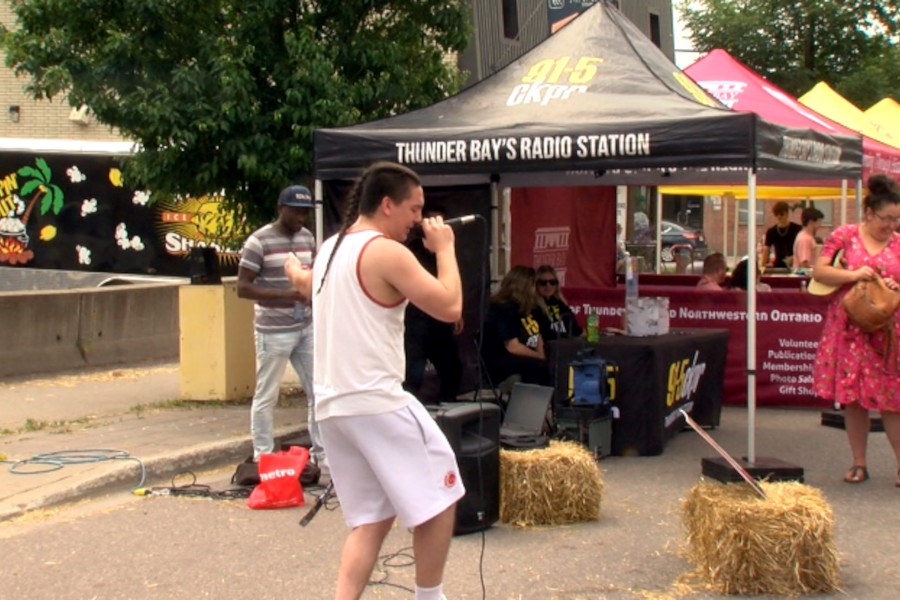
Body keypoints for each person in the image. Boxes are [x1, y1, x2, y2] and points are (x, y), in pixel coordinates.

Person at [284, 161, 464, 600]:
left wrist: (293, 272)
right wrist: (444, 248)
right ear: (387, 205)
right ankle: (430, 597)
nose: (419, 221)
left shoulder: (331, 247)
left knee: (372, 518)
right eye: (414, 209)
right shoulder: (385, 251)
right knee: (442, 496)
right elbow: (450, 306)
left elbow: (308, 285)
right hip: (376, 400)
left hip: (333, 407)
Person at [810, 174, 900, 486]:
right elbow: (819, 271)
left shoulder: (899, 243)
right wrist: (852, 275)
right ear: (869, 213)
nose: (891, 226)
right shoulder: (845, 236)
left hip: (885, 332)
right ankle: (859, 463)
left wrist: (894, 286)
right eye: (886, 219)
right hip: (848, 329)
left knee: (892, 399)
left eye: (896, 219)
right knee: (853, 398)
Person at [237, 185, 323, 465]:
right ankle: (263, 455)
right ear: (280, 209)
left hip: (305, 327)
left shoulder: (307, 238)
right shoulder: (258, 241)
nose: (302, 217)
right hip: (273, 331)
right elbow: (243, 288)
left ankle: (321, 454)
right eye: (296, 211)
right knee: (267, 395)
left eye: (306, 212)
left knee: (318, 391)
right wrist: (286, 295)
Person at [403, 205, 464, 403]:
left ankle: (448, 407)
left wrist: (457, 313)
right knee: (413, 372)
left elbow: (451, 283)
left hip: (440, 320)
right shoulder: (411, 250)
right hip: (416, 320)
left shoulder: (446, 252)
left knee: (452, 367)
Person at [480, 265, 551, 386]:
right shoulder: (503, 309)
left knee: (554, 364)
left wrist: (542, 354)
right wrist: (538, 356)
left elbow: (539, 334)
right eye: (533, 285)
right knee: (539, 367)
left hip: (526, 356)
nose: (536, 289)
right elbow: (512, 346)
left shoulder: (530, 308)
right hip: (503, 360)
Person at [533, 264, 582, 341]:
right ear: (536, 284)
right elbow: (543, 333)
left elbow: (575, 329)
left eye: (552, 282)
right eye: (543, 282)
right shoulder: (533, 305)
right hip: (548, 347)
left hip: (565, 346)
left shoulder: (560, 303)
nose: (548, 286)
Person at [761, 201, 802, 269]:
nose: (779, 217)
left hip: (794, 266)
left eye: (781, 214)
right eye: (776, 214)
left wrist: (794, 257)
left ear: (787, 214)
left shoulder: (797, 229)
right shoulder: (771, 232)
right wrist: (762, 266)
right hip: (778, 265)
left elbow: (801, 248)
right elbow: (766, 250)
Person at [792, 207, 825, 272]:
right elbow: (804, 263)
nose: (820, 225)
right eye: (819, 221)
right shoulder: (805, 239)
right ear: (811, 222)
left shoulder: (806, 237)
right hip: (805, 278)